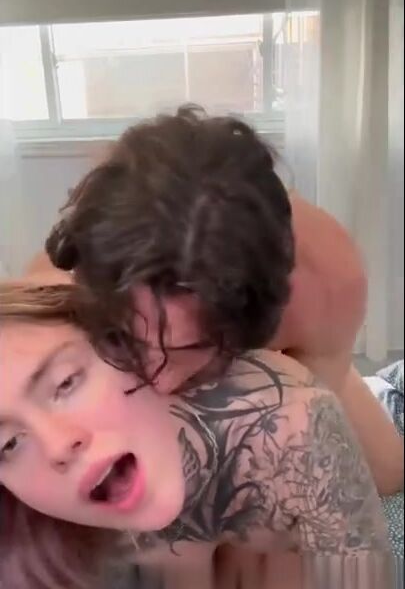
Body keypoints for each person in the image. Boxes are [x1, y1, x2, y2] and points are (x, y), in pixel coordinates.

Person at [35, 106, 402, 495]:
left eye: (188, 348)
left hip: (297, 360)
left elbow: (302, 434)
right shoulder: (65, 275)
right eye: (124, 338)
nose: (157, 380)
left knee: (388, 474)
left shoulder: (328, 284)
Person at [0, 280, 391, 589]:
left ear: (128, 348)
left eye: (66, 382)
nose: (57, 445)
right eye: (9, 444)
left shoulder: (285, 419)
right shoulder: (24, 530)